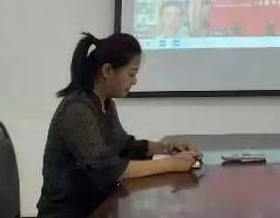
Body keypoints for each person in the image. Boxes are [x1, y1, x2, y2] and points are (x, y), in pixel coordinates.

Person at [37, 33, 201, 218]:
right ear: (107, 71)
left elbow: (125, 147)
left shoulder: (106, 104)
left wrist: (167, 147)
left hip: (96, 208)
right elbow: (108, 170)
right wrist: (171, 164)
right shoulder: (77, 110)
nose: (135, 81)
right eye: (131, 73)